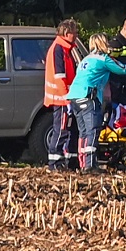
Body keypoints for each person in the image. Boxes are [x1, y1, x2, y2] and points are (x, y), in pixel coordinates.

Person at [65, 33, 126, 172]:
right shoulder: (104, 59)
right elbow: (123, 69)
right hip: (88, 97)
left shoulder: (86, 59)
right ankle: (90, 165)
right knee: (93, 130)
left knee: (82, 132)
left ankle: (83, 163)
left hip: (74, 97)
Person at [42, 19, 83, 171]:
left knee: (69, 130)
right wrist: (67, 99)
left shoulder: (65, 49)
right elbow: (60, 77)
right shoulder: (59, 49)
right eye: (75, 32)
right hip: (61, 98)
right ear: (67, 33)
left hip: (64, 97)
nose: (77, 35)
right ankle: (55, 163)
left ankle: (69, 162)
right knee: (61, 130)